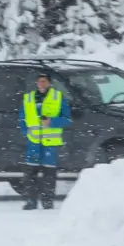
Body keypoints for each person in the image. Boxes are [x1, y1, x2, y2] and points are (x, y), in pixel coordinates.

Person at [19, 70, 71, 210]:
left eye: (44, 81)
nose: (41, 84)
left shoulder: (58, 97)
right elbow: (22, 118)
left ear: (49, 83)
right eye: (39, 81)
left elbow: (67, 119)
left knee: (49, 174)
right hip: (34, 142)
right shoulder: (28, 98)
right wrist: (25, 132)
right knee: (30, 173)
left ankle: (47, 202)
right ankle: (31, 201)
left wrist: (52, 122)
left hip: (50, 143)